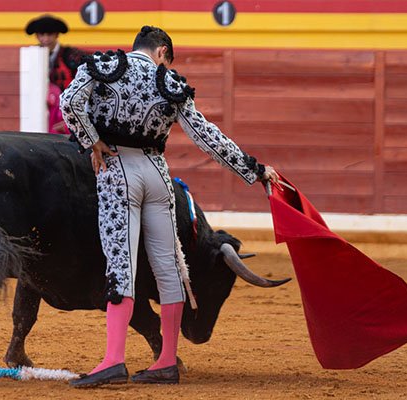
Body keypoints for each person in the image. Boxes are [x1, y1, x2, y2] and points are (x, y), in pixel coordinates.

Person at [60, 26, 278, 387]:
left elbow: (70, 103)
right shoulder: (171, 83)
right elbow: (208, 138)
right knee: (169, 266)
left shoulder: (103, 65)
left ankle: (114, 360)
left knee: (121, 264)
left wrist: (92, 141)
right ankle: (165, 362)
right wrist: (254, 170)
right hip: (159, 176)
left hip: (117, 170)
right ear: (162, 52)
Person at [25, 14, 85, 134]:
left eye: (49, 34)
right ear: (36, 36)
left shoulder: (71, 55)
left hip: (65, 109)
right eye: (42, 35)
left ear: (57, 35)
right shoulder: (32, 55)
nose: (45, 39)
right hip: (40, 109)